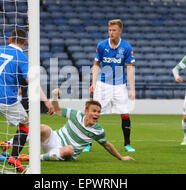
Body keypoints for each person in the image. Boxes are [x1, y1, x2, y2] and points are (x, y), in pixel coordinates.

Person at [0, 29, 54, 173]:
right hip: (8, 99)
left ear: (9, 40)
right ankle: (14, 157)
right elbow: (30, 82)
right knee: (25, 124)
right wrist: (46, 101)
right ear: (24, 43)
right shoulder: (21, 57)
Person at [40, 88, 135, 161]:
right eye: (94, 111)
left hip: (66, 152)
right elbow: (57, 110)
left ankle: (37, 158)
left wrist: (121, 157)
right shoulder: (75, 114)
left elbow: (107, 145)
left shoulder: (98, 131)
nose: (97, 114)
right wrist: (55, 96)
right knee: (44, 128)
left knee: (69, 150)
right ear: (86, 111)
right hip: (55, 139)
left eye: (98, 112)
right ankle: (24, 141)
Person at [88, 19, 136, 153]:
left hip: (120, 86)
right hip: (103, 85)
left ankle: (127, 144)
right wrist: (93, 83)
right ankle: (88, 144)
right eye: (109, 30)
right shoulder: (102, 45)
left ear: (120, 31)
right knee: (94, 113)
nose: (111, 33)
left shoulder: (126, 47)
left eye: (114, 30)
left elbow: (130, 69)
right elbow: (96, 65)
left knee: (125, 113)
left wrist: (131, 89)